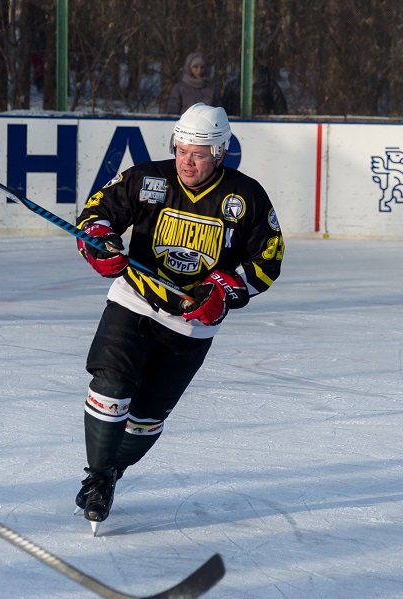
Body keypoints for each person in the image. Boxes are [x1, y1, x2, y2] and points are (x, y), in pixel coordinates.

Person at [73, 103, 284, 530]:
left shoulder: (245, 197)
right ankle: (97, 478)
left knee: (146, 420)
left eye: (199, 153)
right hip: (134, 300)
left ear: (221, 152)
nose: (187, 160)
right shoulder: (146, 178)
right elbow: (96, 215)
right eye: (182, 149)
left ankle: (111, 473)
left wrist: (224, 291)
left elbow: (269, 258)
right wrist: (99, 242)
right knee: (111, 384)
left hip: (190, 325)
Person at [220, 64, 289, 117]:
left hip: (262, 125)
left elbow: (281, 112)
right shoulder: (232, 85)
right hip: (242, 126)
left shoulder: (269, 84)